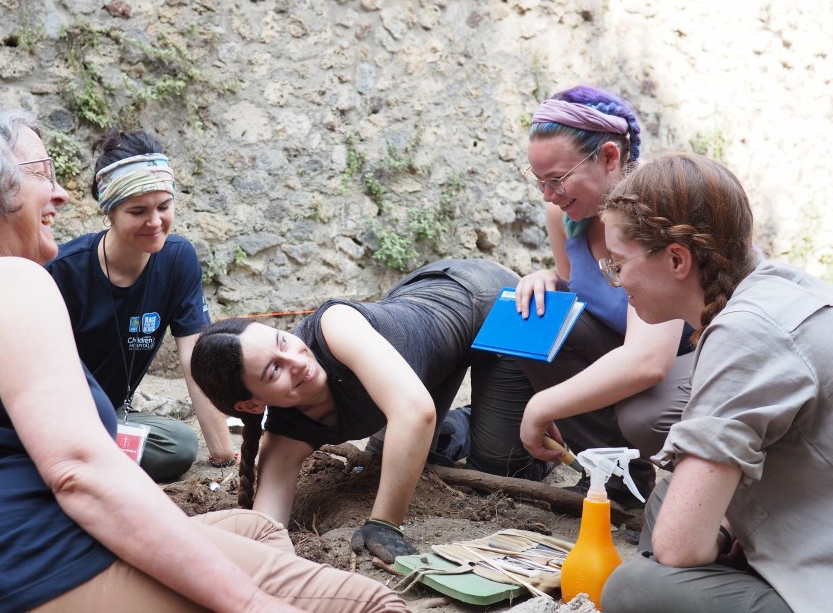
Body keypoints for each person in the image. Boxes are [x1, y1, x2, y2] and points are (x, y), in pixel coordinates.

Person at [0, 101, 406, 612]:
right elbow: (79, 472)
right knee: (368, 604)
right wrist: (249, 604)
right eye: (40, 172)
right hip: (22, 573)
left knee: (256, 530)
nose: (62, 194)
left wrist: (219, 452)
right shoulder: (11, 281)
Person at [190, 259, 539, 564]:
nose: (297, 361)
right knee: (385, 458)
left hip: (491, 302)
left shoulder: (336, 325)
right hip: (432, 363)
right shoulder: (285, 436)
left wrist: (384, 523)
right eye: (274, 371)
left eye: (283, 341)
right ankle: (468, 422)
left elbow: (416, 413)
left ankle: (538, 422)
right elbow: (267, 528)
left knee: (501, 466)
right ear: (252, 404)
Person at [596, 153, 827, 612]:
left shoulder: (748, 331)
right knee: (667, 499)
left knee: (636, 591)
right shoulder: (771, 288)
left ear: (678, 259)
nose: (616, 281)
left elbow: (681, 547)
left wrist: (715, 531)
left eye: (618, 264)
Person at [513, 85, 693, 500]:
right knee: (533, 317)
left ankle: (688, 491)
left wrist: (543, 406)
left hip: (694, 349)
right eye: (538, 180)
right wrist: (547, 278)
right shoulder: (564, 214)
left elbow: (649, 360)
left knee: (643, 416)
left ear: (610, 157)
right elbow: (578, 291)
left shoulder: (652, 209)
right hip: (633, 342)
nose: (547, 194)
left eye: (556, 179)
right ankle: (613, 478)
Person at [46, 129, 234, 481]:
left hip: (110, 418)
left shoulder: (178, 259)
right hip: (57, 415)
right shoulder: (62, 271)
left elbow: (195, 356)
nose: (154, 222)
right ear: (110, 211)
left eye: (164, 206)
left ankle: (85, 457)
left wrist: (223, 453)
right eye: (137, 211)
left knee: (178, 445)